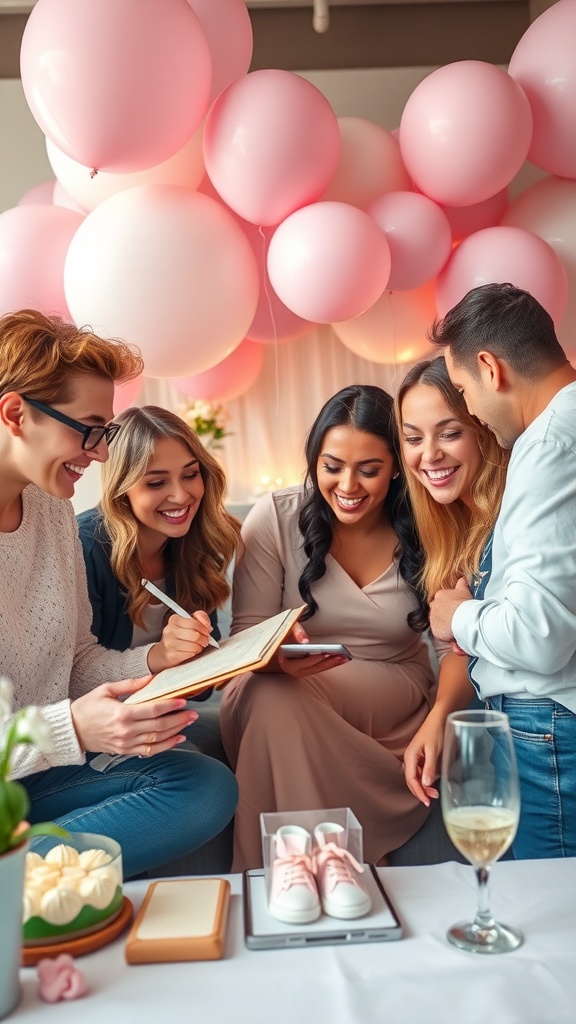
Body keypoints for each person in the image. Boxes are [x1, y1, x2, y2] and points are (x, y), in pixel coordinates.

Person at [0, 309, 238, 878]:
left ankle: (30, 870)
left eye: (103, 432)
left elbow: (78, 660)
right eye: (89, 429)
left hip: (35, 780)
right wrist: (75, 728)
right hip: (27, 767)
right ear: (15, 414)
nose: (102, 453)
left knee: (205, 786)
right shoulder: (75, 520)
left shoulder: (50, 507)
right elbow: (63, 718)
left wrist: (156, 669)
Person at [220, 384, 451, 872]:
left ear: (397, 466)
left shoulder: (430, 523)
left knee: (277, 704)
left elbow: (455, 649)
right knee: (272, 697)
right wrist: (273, 657)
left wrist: (439, 719)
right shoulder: (275, 517)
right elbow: (244, 638)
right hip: (268, 682)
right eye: (332, 467)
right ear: (313, 460)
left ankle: (286, 875)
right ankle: (337, 865)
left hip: (390, 694)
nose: (349, 486)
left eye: (370, 470)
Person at [428, 282, 576, 859]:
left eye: (463, 391)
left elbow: (539, 636)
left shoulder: (548, 445)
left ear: (490, 368)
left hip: (548, 728)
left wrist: (458, 615)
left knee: (552, 921)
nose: (469, 412)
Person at [394, 356, 508, 806]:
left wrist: (458, 613)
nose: (429, 455)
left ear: (481, 429)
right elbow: (459, 647)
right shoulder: (449, 525)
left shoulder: (514, 516)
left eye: (450, 433)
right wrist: (440, 714)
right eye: (413, 438)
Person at [77, 405, 241, 668]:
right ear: (122, 489)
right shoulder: (84, 548)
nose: (181, 495)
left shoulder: (197, 542)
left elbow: (203, 686)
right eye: (156, 483)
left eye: (190, 475)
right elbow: (71, 675)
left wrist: (192, 651)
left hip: (171, 708)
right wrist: (160, 655)